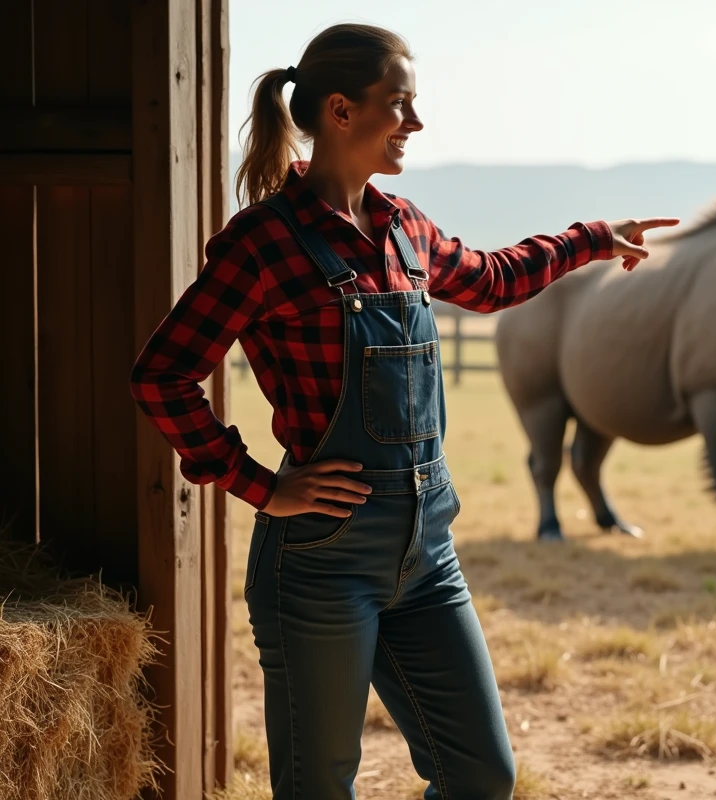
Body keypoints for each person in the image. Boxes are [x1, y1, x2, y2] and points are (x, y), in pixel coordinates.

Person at [129, 21, 677, 800]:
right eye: (401, 105)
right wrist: (260, 484)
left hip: (428, 558)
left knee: (481, 774)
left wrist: (593, 238)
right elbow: (162, 374)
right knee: (318, 786)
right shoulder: (261, 244)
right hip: (321, 564)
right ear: (342, 111)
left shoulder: (404, 227)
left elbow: (490, 280)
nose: (415, 125)